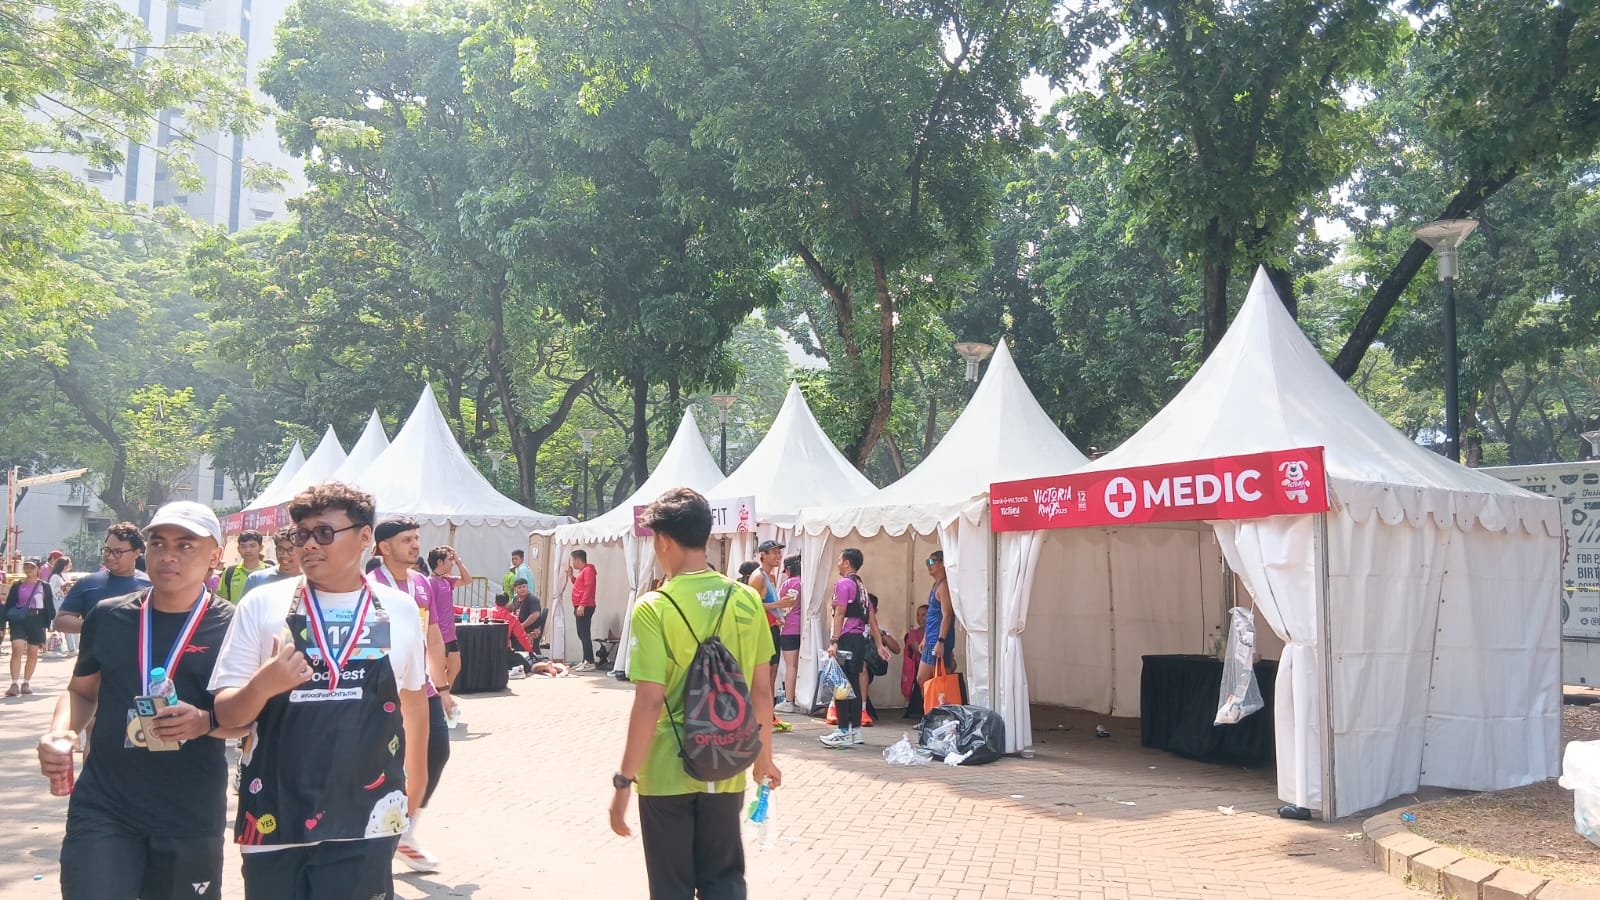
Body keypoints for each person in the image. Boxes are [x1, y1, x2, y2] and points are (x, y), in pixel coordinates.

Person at [209, 483, 429, 899]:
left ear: (365, 537)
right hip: (274, 816)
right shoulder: (262, 605)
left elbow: (414, 703)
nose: (309, 545)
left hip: (368, 819)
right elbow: (226, 716)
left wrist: (416, 786)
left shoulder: (398, 609)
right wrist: (265, 684)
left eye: (324, 533)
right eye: (302, 534)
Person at [37, 501, 241, 899]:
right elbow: (81, 691)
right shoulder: (108, 616)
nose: (168, 555)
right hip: (106, 805)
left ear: (215, 555)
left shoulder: (233, 624)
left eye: (185, 545)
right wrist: (60, 732)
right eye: (158, 543)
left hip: (189, 811)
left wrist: (205, 722)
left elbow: (249, 717)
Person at [608, 488, 781, 898]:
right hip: (727, 762)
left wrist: (623, 781)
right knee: (725, 880)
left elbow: (649, 701)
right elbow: (762, 692)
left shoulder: (654, 607)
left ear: (664, 540)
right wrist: (763, 759)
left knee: (671, 887)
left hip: (666, 770)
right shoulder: (746, 599)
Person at [367, 517, 454, 873]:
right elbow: (375, 645)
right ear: (384, 547)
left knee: (437, 752)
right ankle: (376, 838)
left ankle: (406, 831)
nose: (416, 545)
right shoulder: (372, 586)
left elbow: (433, 636)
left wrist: (443, 687)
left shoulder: (422, 584)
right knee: (383, 763)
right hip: (387, 689)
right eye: (407, 540)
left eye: (417, 538)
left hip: (423, 687)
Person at [820, 548, 889, 749]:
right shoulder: (862, 587)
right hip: (859, 640)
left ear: (847, 563)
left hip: (846, 639)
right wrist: (879, 645)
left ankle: (843, 731)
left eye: (839, 560)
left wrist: (834, 641)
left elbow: (840, 613)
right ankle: (855, 730)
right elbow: (872, 619)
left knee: (841, 685)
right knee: (854, 685)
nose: (837, 563)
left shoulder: (843, 584)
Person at [54, 522, 151, 635]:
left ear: (136, 553)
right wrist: (96, 626)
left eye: (117, 552)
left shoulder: (150, 586)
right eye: (107, 550)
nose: (110, 556)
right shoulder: (87, 583)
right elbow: (60, 622)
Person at [6, 558, 57, 695]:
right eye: (26, 567)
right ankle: (14, 683)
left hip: (37, 620)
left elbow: (49, 607)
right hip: (19, 620)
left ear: (38, 569)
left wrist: (49, 624)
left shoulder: (44, 586)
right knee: (17, 649)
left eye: (32, 567)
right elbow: (9, 604)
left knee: (32, 652)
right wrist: (3, 623)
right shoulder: (17, 585)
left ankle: (26, 683)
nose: (28, 570)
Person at [427, 546, 469, 691]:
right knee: (437, 671)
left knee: (455, 667)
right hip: (438, 635)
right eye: (449, 560)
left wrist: (458, 561)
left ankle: (443, 696)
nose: (452, 564)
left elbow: (467, 580)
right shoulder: (430, 582)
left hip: (450, 634)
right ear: (440, 562)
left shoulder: (447, 580)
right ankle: (438, 697)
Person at [916, 550, 957, 691]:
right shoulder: (936, 585)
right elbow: (931, 616)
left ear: (942, 564)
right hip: (932, 638)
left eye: (932, 561)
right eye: (927, 562)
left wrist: (941, 641)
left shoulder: (944, 586)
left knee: (939, 681)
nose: (929, 565)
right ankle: (930, 706)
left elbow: (947, 615)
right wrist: (925, 638)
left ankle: (940, 706)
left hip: (938, 639)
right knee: (923, 679)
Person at [775, 555, 804, 714]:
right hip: (803, 628)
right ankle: (798, 698)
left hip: (789, 628)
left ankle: (789, 701)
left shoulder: (789, 583)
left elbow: (781, 605)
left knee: (790, 665)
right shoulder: (805, 582)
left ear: (788, 569)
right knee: (799, 665)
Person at [242, 526, 303, 595]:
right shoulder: (256, 580)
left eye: (291, 550)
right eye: (280, 549)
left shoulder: (309, 580)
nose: (285, 555)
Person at [215, 529, 271, 604]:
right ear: (238, 549)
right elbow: (221, 601)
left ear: (261, 548)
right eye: (243, 546)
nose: (248, 550)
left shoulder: (270, 572)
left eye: (252, 546)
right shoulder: (229, 572)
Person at [569, 549, 598, 671]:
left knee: (584, 633)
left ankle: (590, 661)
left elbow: (588, 588)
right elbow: (579, 585)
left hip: (585, 606)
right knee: (581, 633)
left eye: (573, 560)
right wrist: (571, 577)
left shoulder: (588, 570)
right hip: (581, 605)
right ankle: (585, 659)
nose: (572, 563)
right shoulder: (583, 571)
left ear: (577, 560)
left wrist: (582, 604)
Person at [903, 604, 928, 719]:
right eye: (918, 615)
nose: (920, 618)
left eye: (923, 615)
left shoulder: (935, 632)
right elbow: (918, 649)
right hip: (921, 665)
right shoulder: (913, 633)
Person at [48, 555, 77, 655]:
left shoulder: (65, 575)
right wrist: (63, 587)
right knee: (63, 626)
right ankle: (70, 648)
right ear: (64, 565)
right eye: (69, 563)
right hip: (57, 603)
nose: (70, 565)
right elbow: (51, 590)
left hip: (65, 603)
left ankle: (68, 648)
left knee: (65, 626)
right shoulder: (55, 577)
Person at [513, 578, 546, 652]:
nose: (522, 589)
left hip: (531, 630)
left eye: (524, 586)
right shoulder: (516, 599)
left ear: (527, 587)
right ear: (515, 589)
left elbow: (535, 615)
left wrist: (522, 626)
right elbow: (512, 611)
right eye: (519, 587)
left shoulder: (533, 599)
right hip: (519, 629)